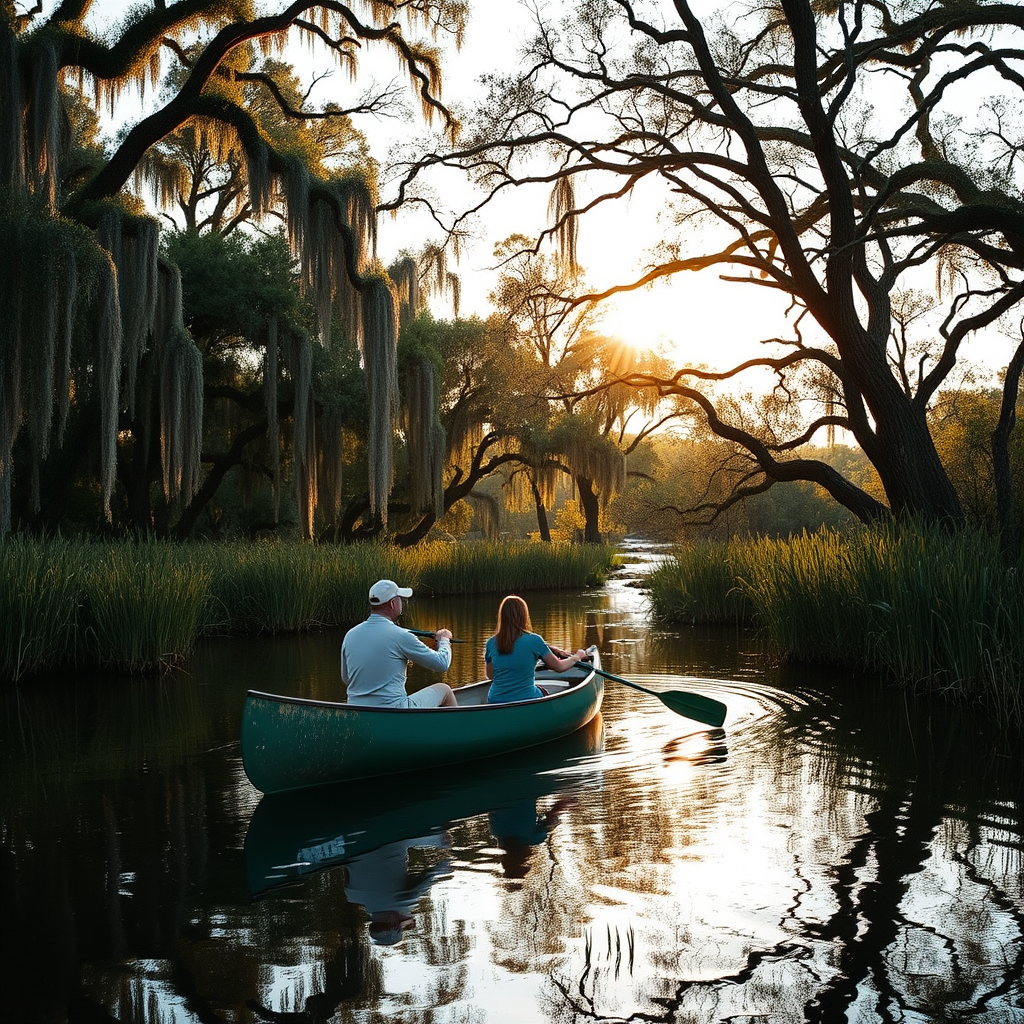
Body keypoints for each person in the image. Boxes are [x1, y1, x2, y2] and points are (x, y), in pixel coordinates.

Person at [341, 579, 457, 707]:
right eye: (400, 599)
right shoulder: (401, 636)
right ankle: (460, 727)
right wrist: (444, 640)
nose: (401, 603)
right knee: (444, 690)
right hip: (393, 710)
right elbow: (442, 664)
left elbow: (346, 678)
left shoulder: (350, 635)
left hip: (356, 709)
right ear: (392, 604)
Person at [484, 594, 588, 704]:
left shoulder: (491, 643)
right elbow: (559, 667)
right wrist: (577, 656)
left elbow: (491, 676)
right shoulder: (534, 640)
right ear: (523, 615)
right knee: (542, 692)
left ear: (502, 617)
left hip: (495, 699)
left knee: (534, 689)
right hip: (527, 698)